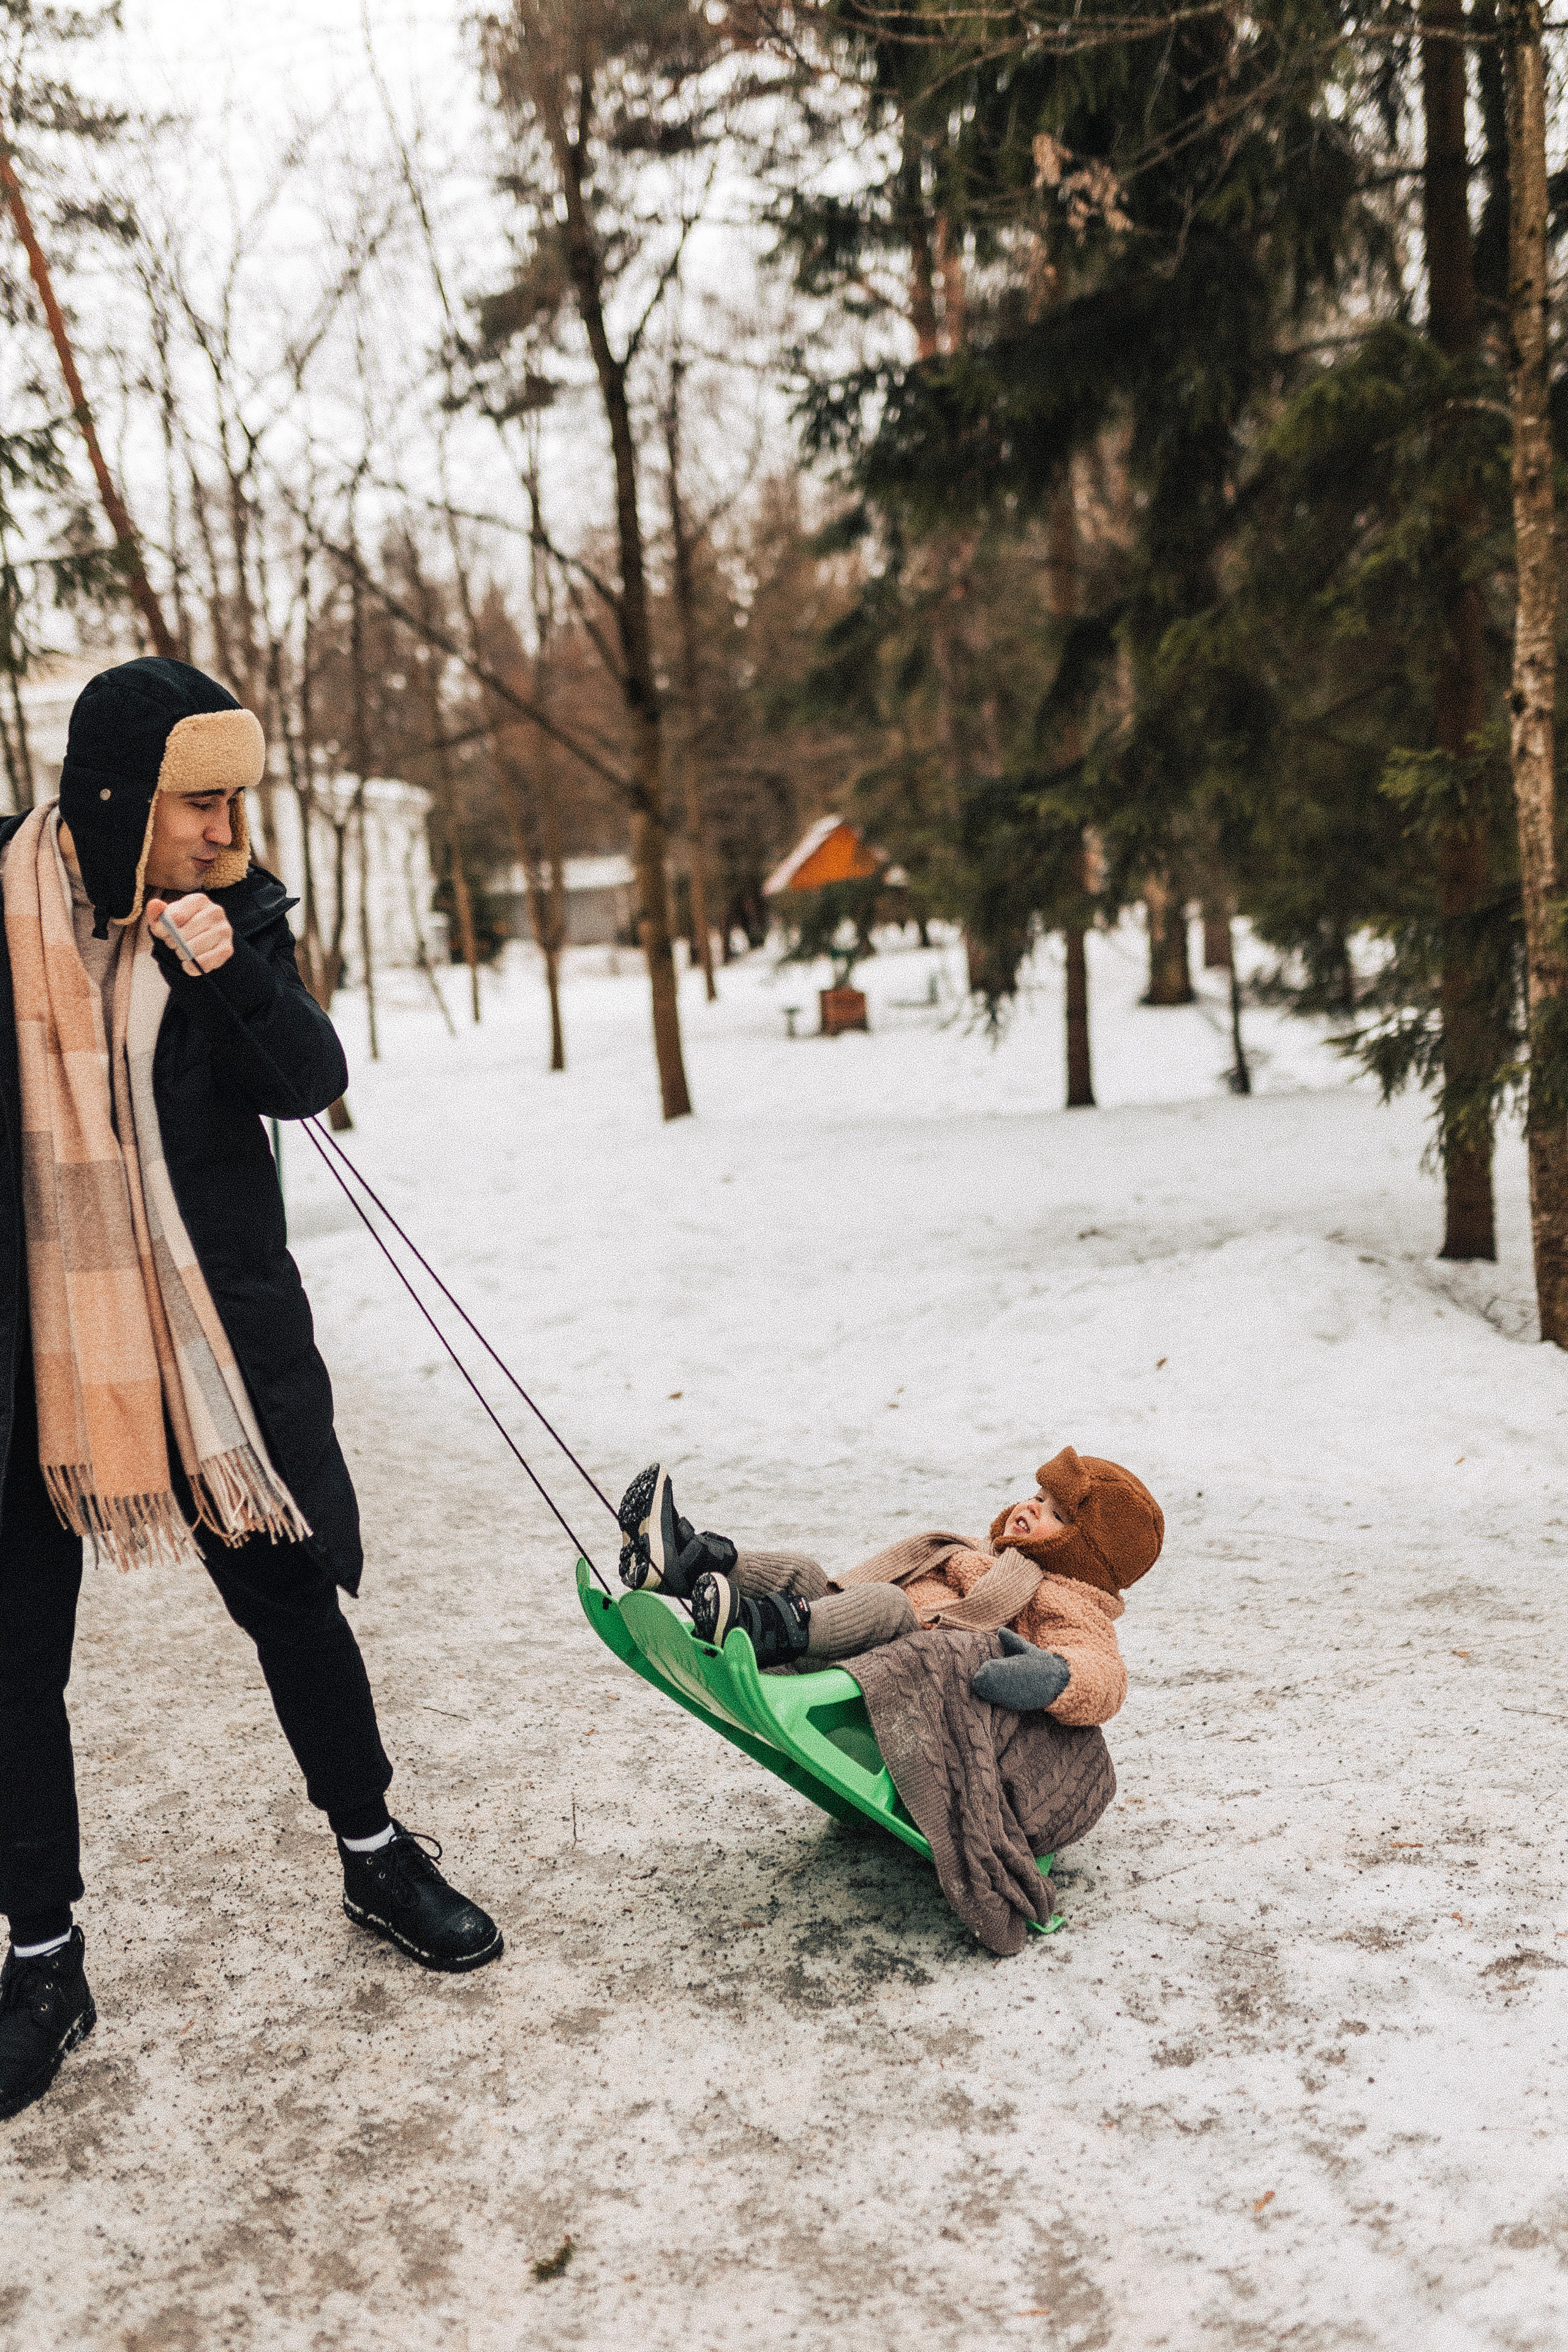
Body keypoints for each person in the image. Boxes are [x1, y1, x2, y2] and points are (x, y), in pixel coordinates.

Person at [0, 657, 501, 2125]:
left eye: (236, 801)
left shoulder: (232, 916)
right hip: (36, 1349)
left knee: (289, 1594)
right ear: (119, 800)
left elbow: (307, 1078)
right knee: (14, 1661)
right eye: (200, 802)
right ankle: (43, 1959)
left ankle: (374, 1851)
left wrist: (229, 973)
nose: (227, 829)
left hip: (207, 1340)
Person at [616, 1445, 1164, 1724]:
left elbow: (1103, 1674)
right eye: (1038, 1496)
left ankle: (752, 1628)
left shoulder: (1070, 1600)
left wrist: (1051, 1675)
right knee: (807, 1574)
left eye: (1057, 1515)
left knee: (889, 1604)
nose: (1031, 1509)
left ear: (1089, 1558)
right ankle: (683, 1563)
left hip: (914, 1681)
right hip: (858, 1641)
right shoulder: (985, 1555)